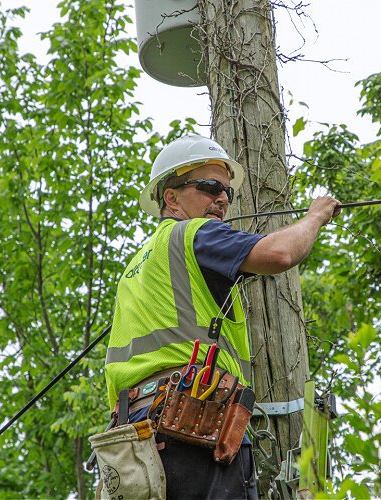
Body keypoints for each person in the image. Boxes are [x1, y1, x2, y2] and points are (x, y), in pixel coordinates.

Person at [104, 134, 340, 499]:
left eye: (227, 192)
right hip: (191, 425)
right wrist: (315, 216)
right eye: (210, 186)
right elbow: (279, 254)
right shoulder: (193, 234)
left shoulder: (138, 265)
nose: (222, 199)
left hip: (134, 439)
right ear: (171, 197)